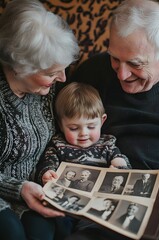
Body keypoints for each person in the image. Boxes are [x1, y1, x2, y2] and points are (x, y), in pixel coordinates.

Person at [66, 0, 159, 239]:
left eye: (135, 64)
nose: (122, 74)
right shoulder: (93, 73)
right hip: (97, 206)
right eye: (115, 59)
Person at [0, 0, 79, 239]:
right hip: (11, 190)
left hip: (34, 187)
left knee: (43, 232)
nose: (63, 78)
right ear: (20, 66)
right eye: (52, 73)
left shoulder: (48, 90)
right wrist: (18, 188)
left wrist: (47, 172)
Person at [35, 82, 131, 186]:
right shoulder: (58, 145)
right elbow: (47, 163)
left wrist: (119, 164)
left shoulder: (107, 144)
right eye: (73, 128)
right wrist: (46, 173)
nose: (83, 133)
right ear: (61, 125)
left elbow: (121, 160)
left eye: (91, 127)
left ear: (102, 121)